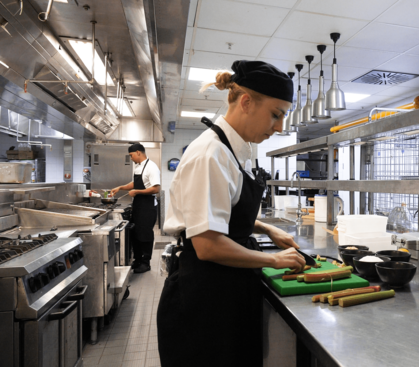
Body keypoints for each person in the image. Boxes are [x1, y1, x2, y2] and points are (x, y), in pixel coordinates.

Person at [157, 60, 306, 367]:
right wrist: (274, 259)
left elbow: (222, 212)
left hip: (227, 289)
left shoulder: (234, 150)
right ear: (246, 102)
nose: (279, 127)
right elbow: (209, 245)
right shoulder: (210, 154)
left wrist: (265, 228)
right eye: (276, 115)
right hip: (204, 297)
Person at [110, 143, 161, 273]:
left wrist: (137, 191)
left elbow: (156, 188)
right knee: (136, 234)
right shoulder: (138, 167)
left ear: (138, 152)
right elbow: (135, 183)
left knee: (145, 235)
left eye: (131, 155)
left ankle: (146, 262)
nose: (131, 158)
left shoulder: (152, 167)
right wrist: (120, 187)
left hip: (148, 207)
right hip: (138, 206)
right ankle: (137, 260)